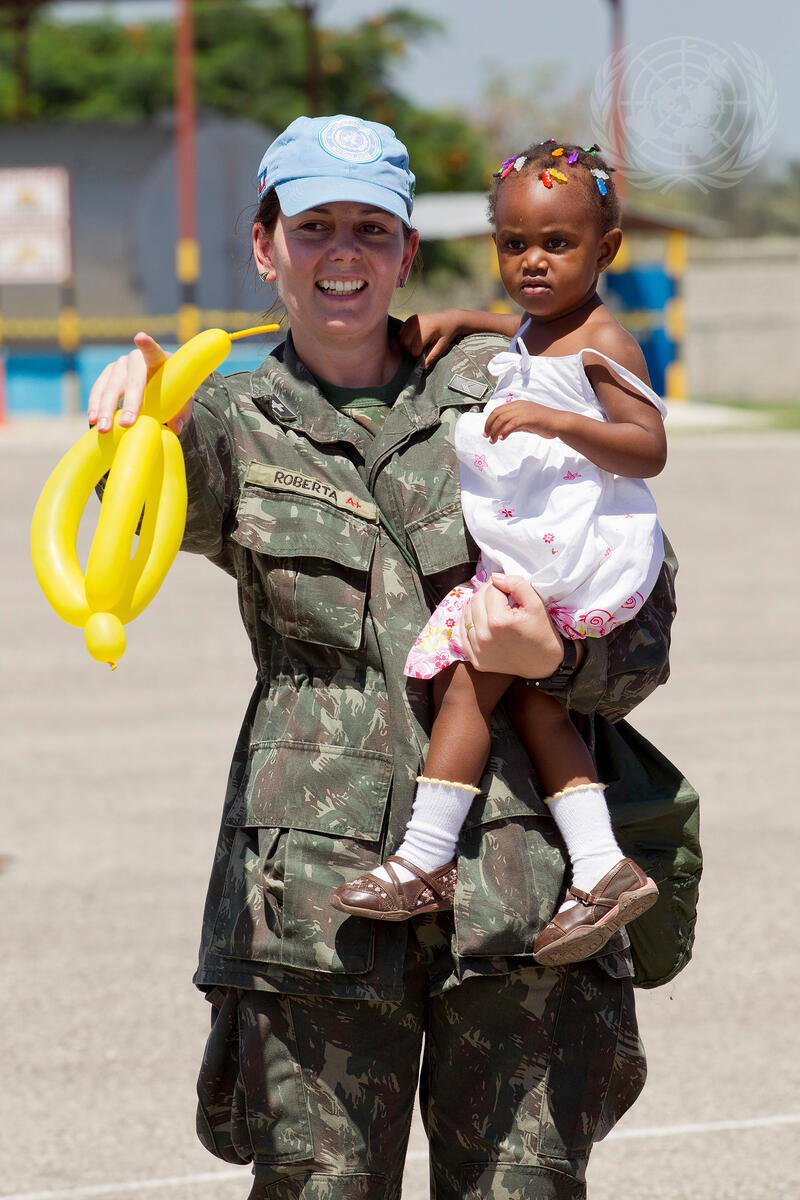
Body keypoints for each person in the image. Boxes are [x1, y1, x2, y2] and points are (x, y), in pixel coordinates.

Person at [87, 115, 681, 1200]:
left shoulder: (515, 378)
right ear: (265, 246)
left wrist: (550, 656)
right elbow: (136, 516)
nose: (343, 253)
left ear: (408, 252)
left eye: (371, 228)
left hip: (522, 896)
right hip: (317, 902)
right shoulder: (226, 416)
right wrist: (131, 417)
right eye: (313, 226)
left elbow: (640, 620)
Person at [332, 141, 663, 969]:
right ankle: (601, 865)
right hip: (536, 554)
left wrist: (561, 423)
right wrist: (467, 320)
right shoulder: (541, 329)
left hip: (570, 561)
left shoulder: (606, 341)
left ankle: (425, 857)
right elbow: (524, 335)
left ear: (606, 249)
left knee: (466, 687)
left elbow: (648, 447)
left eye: (557, 244)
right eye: (515, 245)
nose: (533, 262)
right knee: (536, 708)